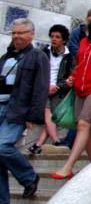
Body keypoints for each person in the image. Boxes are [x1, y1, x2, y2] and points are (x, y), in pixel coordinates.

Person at [52, 13, 91, 180]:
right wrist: (73, 75)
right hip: (80, 88)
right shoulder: (84, 42)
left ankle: (68, 166)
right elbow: (80, 63)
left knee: (83, 124)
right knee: (83, 127)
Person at [0, 19, 44, 204]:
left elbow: (40, 88)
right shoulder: (6, 57)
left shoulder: (37, 56)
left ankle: (29, 177)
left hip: (17, 110)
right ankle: (2, 203)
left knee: (3, 147)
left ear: (31, 34)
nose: (17, 36)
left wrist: (33, 116)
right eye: (14, 33)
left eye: (21, 33)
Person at [26, 24, 75, 154]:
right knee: (48, 113)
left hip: (59, 92)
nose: (54, 39)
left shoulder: (70, 56)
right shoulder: (43, 52)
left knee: (50, 117)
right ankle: (56, 141)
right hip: (43, 89)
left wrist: (58, 86)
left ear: (64, 40)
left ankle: (37, 145)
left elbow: (72, 77)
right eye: (52, 36)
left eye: (57, 37)